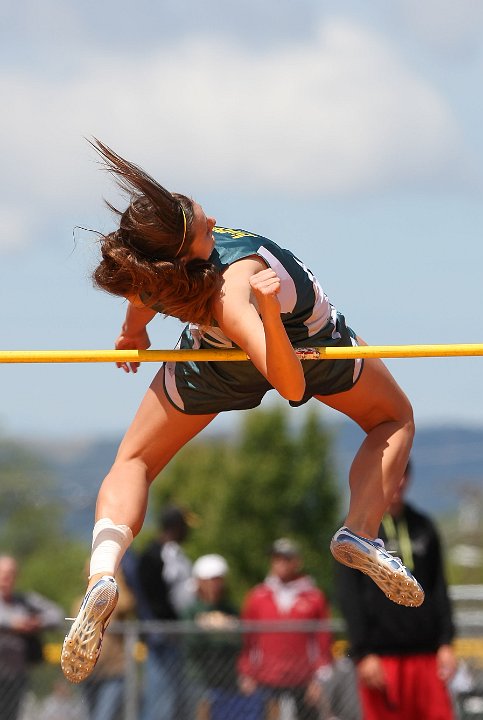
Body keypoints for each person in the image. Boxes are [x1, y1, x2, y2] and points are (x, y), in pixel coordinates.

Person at [61, 139, 422, 686]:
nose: (214, 219)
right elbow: (291, 385)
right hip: (304, 349)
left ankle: (102, 571)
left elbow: (141, 297)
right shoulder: (234, 288)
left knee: (133, 461)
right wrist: (270, 313)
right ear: (189, 247)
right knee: (393, 419)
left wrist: (133, 334)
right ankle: (360, 530)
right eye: (206, 224)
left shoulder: (157, 270)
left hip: (214, 362)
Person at [335, 461, 457, 720]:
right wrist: (363, 652)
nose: (398, 482)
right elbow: (349, 597)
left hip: (426, 654)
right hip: (381, 656)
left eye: (402, 475)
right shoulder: (358, 534)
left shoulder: (424, 526)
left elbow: (439, 587)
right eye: (392, 475)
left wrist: (446, 642)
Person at [238, 538, 333, 720]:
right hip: (266, 679)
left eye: (286, 558)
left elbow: (323, 641)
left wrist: (319, 679)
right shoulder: (257, 596)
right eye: (276, 558)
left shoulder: (313, 597)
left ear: (297, 561)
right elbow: (249, 640)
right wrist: (246, 673)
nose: (280, 563)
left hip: (303, 680)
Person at [136, 505, 194, 720]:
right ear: (175, 527)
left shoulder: (173, 553)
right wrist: (166, 622)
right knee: (161, 697)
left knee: (175, 696)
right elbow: (150, 597)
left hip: (174, 633)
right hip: (162, 634)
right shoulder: (154, 554)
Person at [0, 555, 63, 720]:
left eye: (10, 573)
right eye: (3, 573)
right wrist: (14, 625)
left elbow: (57, 614)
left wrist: (37, 623)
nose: (6, 578)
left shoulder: (24, 601)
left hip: (15, 674)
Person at [72, 563, 136, 720]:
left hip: (114, 672)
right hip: (88, 672)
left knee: (104, 716)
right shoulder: (79, 602)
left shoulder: (116, 601)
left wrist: (115, 578)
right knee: (91, 715)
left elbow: (129, 604)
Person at [182, 554, 242, 719]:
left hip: (227, 679)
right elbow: (191, 644)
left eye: (218, 580)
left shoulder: (230, 609)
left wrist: (224, 629)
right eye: (210, 580)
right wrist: (209, 629)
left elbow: (239, 643)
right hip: (199, 677)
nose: (215, 585)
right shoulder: (192, 611)